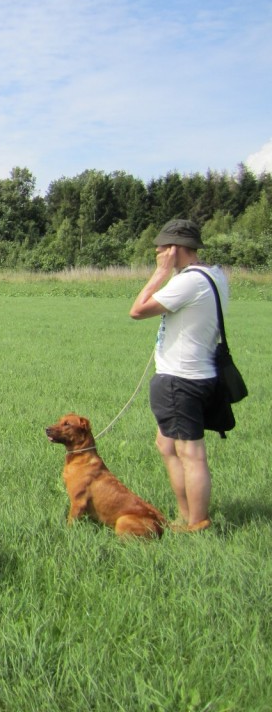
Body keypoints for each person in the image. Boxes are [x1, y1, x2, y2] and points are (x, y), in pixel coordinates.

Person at [130, 218, 226, 533]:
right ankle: (185, 517)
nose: (158, 254)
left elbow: (138, 309)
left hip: (180, 378)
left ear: (174, 248)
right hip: (199, 373)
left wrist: (160, 273)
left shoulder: (187, 281)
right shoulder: (213, 275)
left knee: (190, 452)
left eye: (161, 249)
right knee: (168, 445)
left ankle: (195, 522)